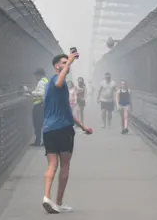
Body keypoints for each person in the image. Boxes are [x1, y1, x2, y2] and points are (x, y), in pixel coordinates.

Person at [42, 53, 93, 214]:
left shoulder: (57, 86)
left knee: (52, 165)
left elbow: (68, 113)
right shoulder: (56, 82)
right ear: (57, 66)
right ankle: (58, 201)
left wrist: (83, 127)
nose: (68, 65)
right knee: (64, 165)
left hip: (49, 129)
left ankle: (46, 197)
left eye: (68, 63)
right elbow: (59, 81)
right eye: (64, 63)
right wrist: (70, 60)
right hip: (63, 130)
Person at [26, 68, 48, 146]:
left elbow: (41, 93)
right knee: (43, 124)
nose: (35, 76)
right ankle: (45, 141)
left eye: (36, 75)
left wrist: (30, 92)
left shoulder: (41, 82)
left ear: (39, 75)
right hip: (44, 105)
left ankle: (38, 141)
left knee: (37, 124)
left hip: (39, 106)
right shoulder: (46, 81)